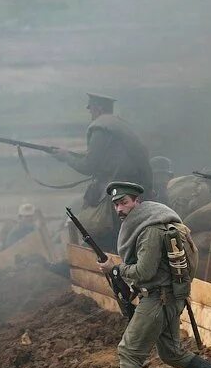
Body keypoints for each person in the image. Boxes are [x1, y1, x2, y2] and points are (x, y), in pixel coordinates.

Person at [87, 182, 211, 368]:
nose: (119, 208)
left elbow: (143, 271)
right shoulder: (152, 222)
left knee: (129, 351)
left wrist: (115, 268)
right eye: (116, 204)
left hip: (158, 299)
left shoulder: (150, 230)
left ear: (137, 202)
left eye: (124, 202)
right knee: (171, 353)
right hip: (169, 297)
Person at [52, 93, 152, 251]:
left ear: (97, 108)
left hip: (115, 196)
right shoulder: (121, 126)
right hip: (134, 192)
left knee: (100, 236)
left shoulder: (100, 127)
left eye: (91, 109)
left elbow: (89, 166)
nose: (90, 113)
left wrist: (66, 158)